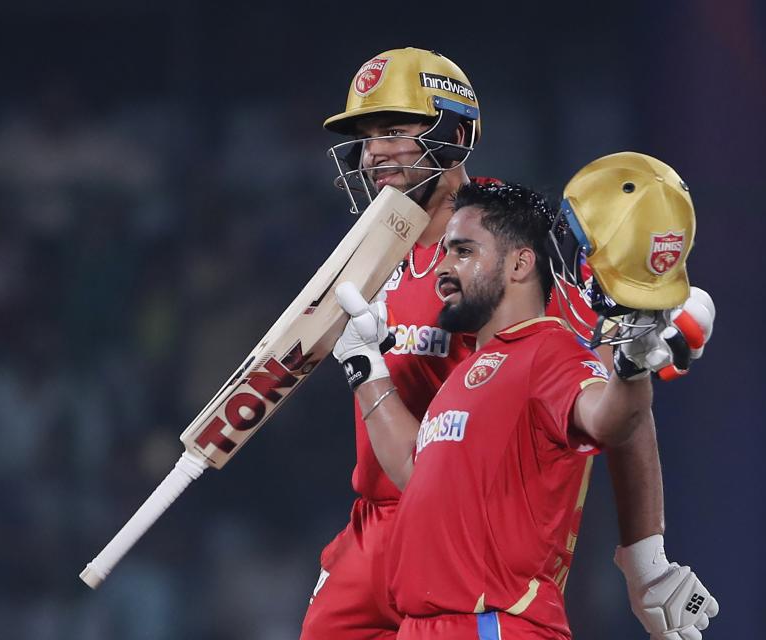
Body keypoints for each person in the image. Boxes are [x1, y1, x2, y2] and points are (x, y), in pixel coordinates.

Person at [302, 45, 712, 639]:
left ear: (455, 131)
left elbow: (608, 387)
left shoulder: (516, 247)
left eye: (394, 130)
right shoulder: (370, 248)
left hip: (476, 548)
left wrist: (644, 558)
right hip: (376, 529)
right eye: (366, 137)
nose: (373, 153)